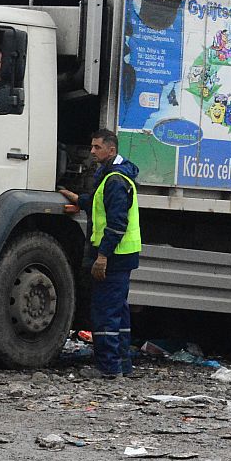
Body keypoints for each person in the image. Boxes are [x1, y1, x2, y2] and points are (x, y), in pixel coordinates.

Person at [59, 130, 140, 378]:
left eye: (96, 147)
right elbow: (99, 202)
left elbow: (116, 224)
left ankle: (108, 369)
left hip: (113, 256)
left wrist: (102, 256)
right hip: (123, 255)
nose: (92, 152)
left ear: (111, 150)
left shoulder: (115, 180)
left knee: (105, 313)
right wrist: (80, 199)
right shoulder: (112, 176)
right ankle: (122, 366)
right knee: (118, 312)